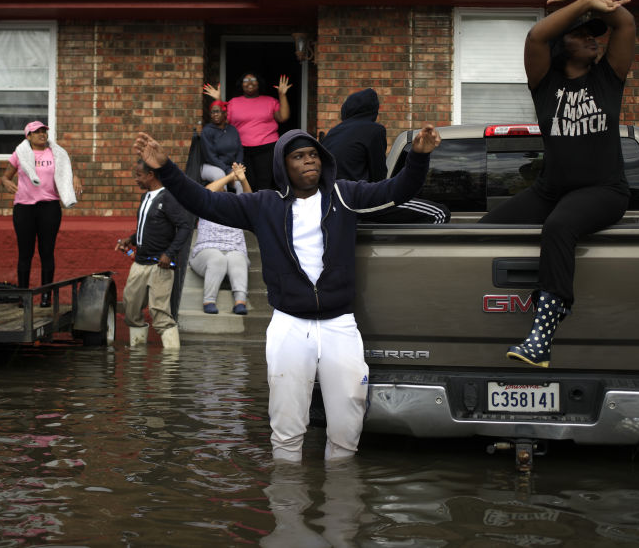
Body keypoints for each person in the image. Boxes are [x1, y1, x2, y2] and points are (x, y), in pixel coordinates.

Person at [134, 123, 441, 462]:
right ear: (284, 165)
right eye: (299, 156)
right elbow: (204, 202)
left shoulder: (345, 194)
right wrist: (167, 168)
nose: (309, 161)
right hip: (289, 324)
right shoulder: (264, 205)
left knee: (348, 418)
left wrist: (419, 156)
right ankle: (288, 502)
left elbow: (398, 189)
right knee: (286, 423)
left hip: (339, 324)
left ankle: (340, 502)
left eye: (313, 154)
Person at [479, 0, 636, 368]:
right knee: (481, 231)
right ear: (561, 45)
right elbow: (535, 37)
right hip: (551, 190)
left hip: (604, 190)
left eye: (594, 34)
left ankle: (542, 334)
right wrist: (585, 2)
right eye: (582, 33)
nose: (592, 38)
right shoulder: (545, 84)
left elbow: (626, 23)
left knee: (560, 226)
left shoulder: (608, 78)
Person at [322, 87, 450, 224]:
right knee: (439, 213)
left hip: (331, 200)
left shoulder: (333, 132)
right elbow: (378, 174)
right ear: (373, 111)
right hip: (358, 198)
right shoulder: (374, 130)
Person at [0, 121, 83, 308]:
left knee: (47, 252)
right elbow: (5, 176)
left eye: (44, 131)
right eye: (36, 132)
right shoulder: (19, 154)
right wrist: (5, 182)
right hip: (24, 208)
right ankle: (23, 297)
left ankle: (46, 297)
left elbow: (65, 172)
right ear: (28, 136)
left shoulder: (56, 153)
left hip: (49, 207)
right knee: (25, 253)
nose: (41, 134)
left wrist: (75, 177)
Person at [115, 159, 194, 348]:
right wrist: (131, 239)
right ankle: (137, 353)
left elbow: (185, 226)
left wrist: (170, 253)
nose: (136, 179)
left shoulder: (168, 197)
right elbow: (148, 227)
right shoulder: (145, 197)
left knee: (159, 312)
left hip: (161, 265)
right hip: (140, 263)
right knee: (131, 306)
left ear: (151, 175)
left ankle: (171, 363)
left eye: (138, 175)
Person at [204, 72, 292, 191]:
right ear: (241, 85)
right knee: (247, 182)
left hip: (267, 148)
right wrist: (218, 99)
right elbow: (222, 118)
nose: (249, 82)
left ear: (259, 83)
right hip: (243, 150)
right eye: (245, 81)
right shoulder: (234, 102)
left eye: (253, 79)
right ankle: (248, 208)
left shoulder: (270, 101)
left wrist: (282, 95)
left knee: (264, 183)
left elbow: (283, 117)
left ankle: (262, 208)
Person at [190, 163, 252, 315]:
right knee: (218, 259)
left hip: (233, 249)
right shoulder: (205, 205)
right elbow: (207, 192)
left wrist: (242, 180)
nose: (220, 189)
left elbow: (250, 199)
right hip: (206, 251)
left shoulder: (236, 205)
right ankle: (209, 300)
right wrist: (230, 176)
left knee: (238, 258)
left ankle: (240, 302)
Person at [199, 100, 245, 193]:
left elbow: (239, 150)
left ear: (225, 113)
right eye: (212, 112)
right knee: (220, 175)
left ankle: (241, 206)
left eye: (218, 111)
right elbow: (210, 157)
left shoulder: (232, 130)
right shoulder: (207, 131)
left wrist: (238, 167)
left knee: (240, 181)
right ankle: (223, 205)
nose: (215, 114)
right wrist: (228, 170)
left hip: (231, 167)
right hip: (210, 166)